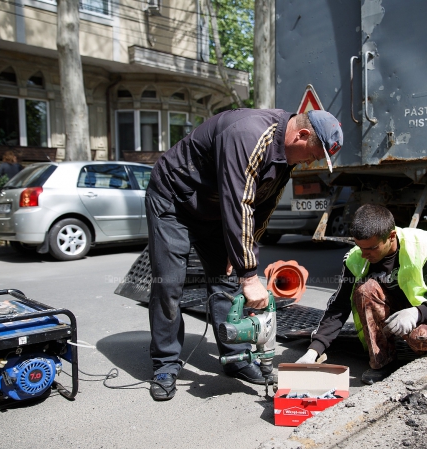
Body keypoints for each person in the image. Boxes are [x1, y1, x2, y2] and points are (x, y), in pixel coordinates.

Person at [145, 108, 343, 401]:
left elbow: (263, 207)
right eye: (314, 153)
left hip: (216, 210)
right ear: (301, 135)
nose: (311, 161)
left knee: (226, 281)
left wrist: (242, 255)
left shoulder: (286, 158)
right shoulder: (247, 134)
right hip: (175, 201)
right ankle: (165, 364)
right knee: (169, 284)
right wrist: (250, 275)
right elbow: (239, 201)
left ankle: (236, 358)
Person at [295, 204, 427, 384]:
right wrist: (313, 351)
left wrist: (417, 313)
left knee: (423, 338)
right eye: (360, 247)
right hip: (390, 317)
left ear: (391, 236)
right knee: (365, 288)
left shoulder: (423, 247)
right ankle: (383, 362)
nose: (364, 254)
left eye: (372, 248)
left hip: (423, 316)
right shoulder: (355, 258)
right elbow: (339, 306)